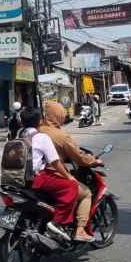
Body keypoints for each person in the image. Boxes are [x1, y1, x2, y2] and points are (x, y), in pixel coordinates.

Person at [19, 108, 87, 241]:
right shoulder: (41, 137)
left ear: (22, 122)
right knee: (71, 187)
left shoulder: (19, 135)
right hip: (36, 179)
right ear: (40, 121)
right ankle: (57, 222)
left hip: (17, 178)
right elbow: (55, 162)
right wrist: (69, 177)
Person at [39, 100, 101, 242]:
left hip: (35, 176)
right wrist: (94, 161)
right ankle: (79, 230)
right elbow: (78, 156)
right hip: (52, 175)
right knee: (86, 193)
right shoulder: (60, 135)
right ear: (59, 115)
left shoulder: (38, 129)